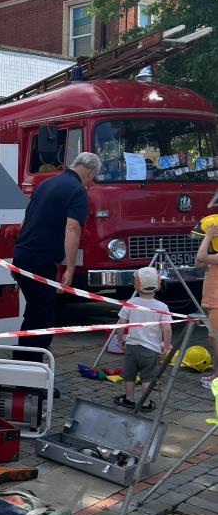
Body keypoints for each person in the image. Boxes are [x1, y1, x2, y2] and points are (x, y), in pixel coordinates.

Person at [12, 152, 101, 359]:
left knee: (34, 312)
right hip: (41, 260)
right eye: (92, 177)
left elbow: (27, 220)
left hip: (23, 254)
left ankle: (23, 362)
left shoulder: (46, 184)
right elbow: (72, 228)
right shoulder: (77, 191)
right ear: (91, 172)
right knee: (43, 317)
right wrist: (70, 267)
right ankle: (31, 369)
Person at [114, 266, 171, 411]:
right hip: (151, 349)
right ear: (158, 285)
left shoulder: (130, 303)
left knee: (129, 376)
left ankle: (129, 398)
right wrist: (166, 346)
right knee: (147, 377)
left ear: (136, 285)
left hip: (132, 346)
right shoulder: (162, 306)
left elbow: (121, 324)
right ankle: (145, 403)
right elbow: (167, 328)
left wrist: (120, 339)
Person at [195, 219, 218, 388]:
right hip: (213, 302)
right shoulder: (213, 255)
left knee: (215, 338)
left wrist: (209, 236)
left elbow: (201, 257)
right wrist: (208, 239)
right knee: (213, 339)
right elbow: (199, 262)